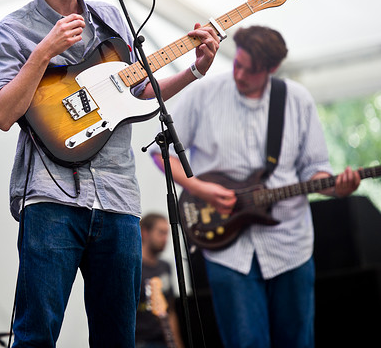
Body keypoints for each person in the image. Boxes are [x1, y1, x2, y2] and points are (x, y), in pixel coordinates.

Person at [0, 0, 220, 347]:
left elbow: (139, 92)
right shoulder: (12, 30)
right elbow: (2, 114)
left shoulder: (112, 15)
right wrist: (44, 51)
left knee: (118, 337)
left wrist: (194, 72)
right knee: (36, 333)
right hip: (51, 196)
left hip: (118, 196)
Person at [150, 25, 361, 348]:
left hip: (290, 245)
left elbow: (316, 170)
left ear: (272, 69)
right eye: (237, 64)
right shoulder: (203, 94)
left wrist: (337, 187)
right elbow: (161, 155)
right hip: (226, 248)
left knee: (297, 342)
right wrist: (203, 190)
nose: (239, 74)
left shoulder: (296, 100)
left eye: (251, 70)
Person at [136, 213, 183, 348]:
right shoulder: (133, 268)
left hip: (164, 340)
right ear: (144, 232)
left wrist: (178, 343)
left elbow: (170, 310)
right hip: (139, 341)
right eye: (161, 233)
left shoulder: (165, 266)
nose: (165, 238)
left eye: (167, 233)